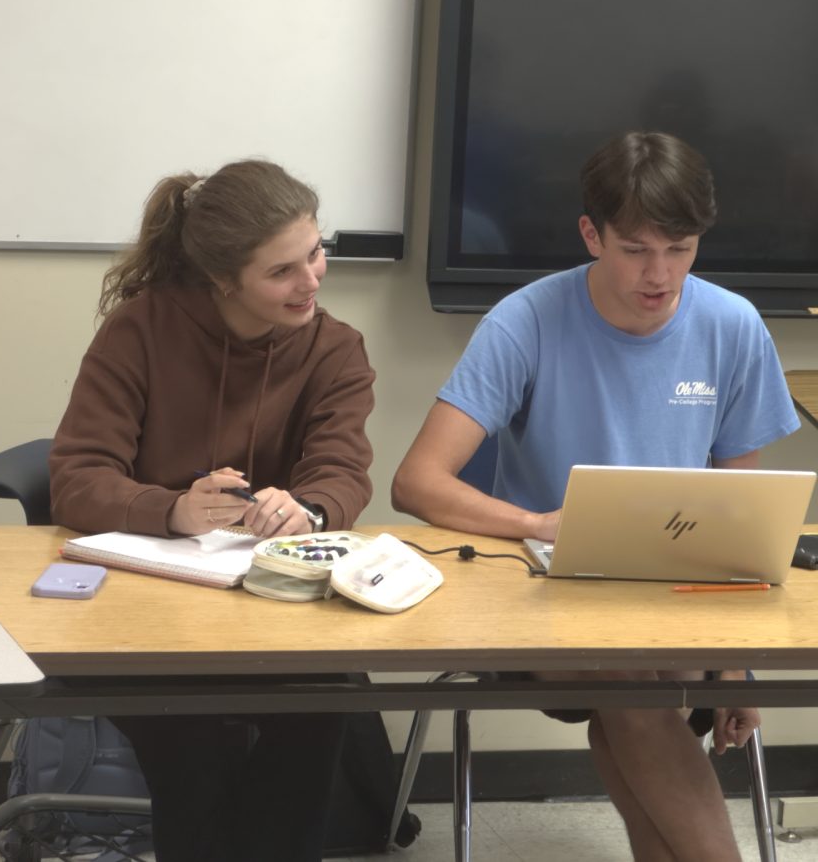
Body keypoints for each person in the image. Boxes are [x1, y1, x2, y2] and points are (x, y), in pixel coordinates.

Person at [393, 131, 800, 861]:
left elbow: (745, 523)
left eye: (680, 249)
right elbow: (417, 481)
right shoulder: (527, 320)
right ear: (591, 234)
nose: (661, 273)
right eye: (637, 249)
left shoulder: (732, 327)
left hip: (678, 603)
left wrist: (741, 665)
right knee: (631, 673)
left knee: (639, 687)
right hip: (541, 608)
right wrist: (537, 523)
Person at [50, 159, 375, 861]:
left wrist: (310, 509)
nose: (311, 279)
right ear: (224, 279)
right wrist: (172, 510)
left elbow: (343, 471)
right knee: (191, 736)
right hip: (145, 609)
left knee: (325, 704)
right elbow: (76, 477)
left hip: (277, 605)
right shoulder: (140, 331)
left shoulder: (336, 348)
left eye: (316, 254)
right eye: (282, 271)